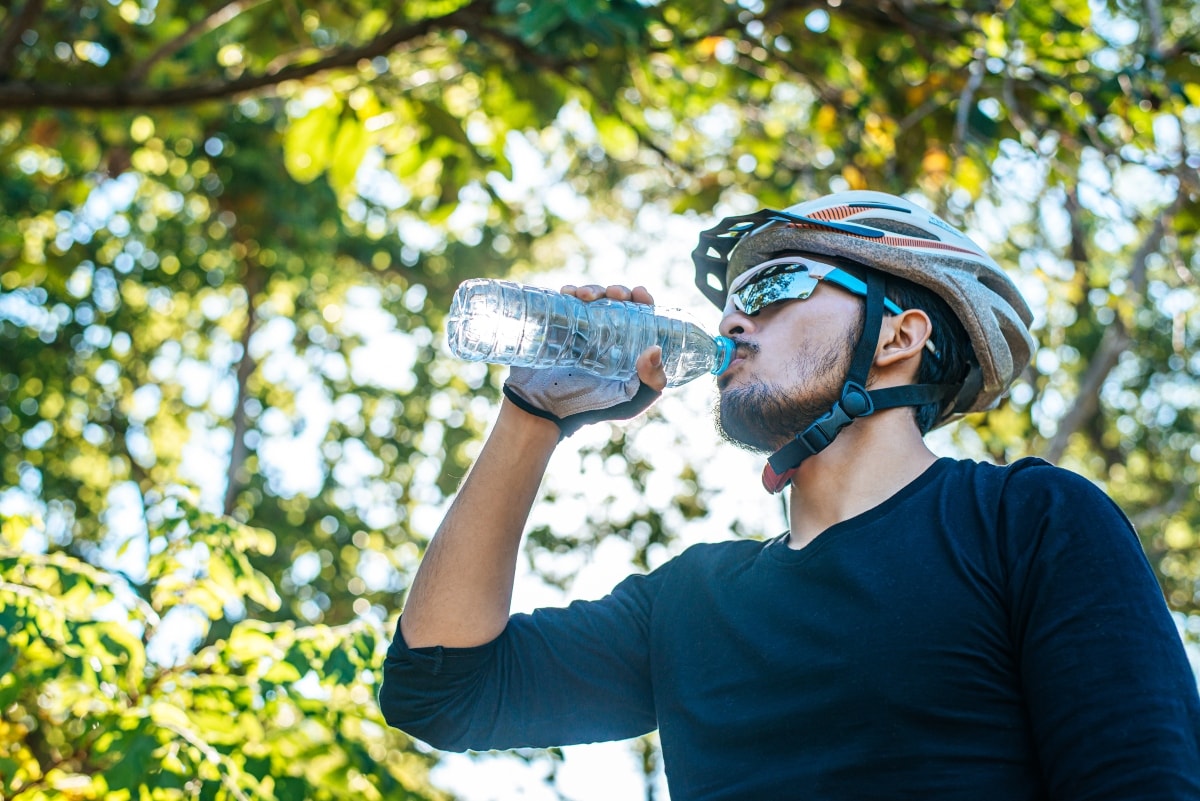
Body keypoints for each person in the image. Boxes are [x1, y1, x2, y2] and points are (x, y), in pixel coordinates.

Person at [380, 190, 1200, 799]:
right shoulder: (690, 603)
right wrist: (533, 414)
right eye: (729, 305)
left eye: (772, 290)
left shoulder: (1027, 521)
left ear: (898, 335)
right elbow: (443, 688)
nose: (734, 323)